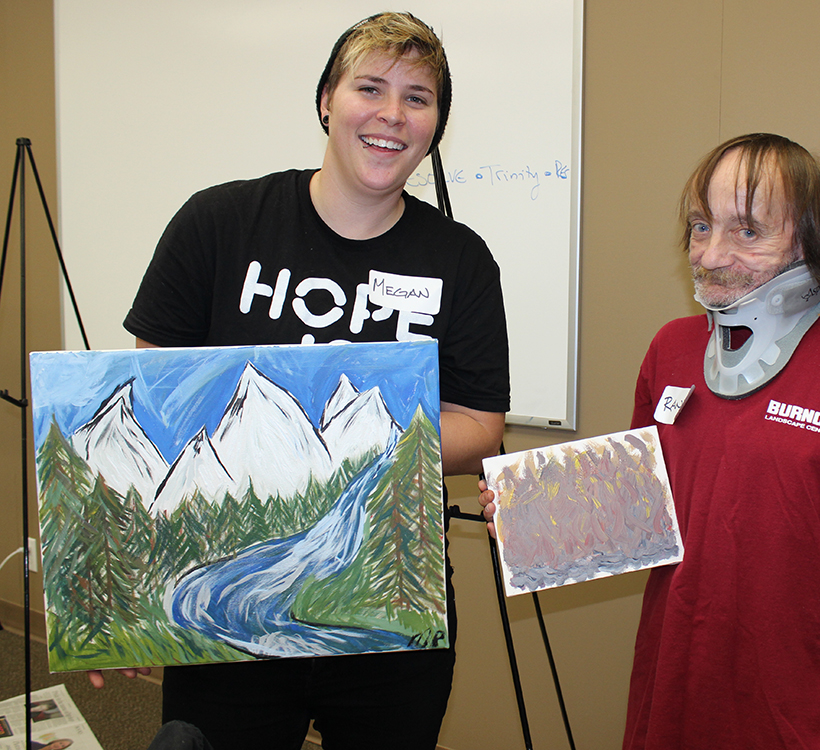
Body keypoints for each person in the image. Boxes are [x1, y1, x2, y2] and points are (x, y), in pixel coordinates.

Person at [90, 12, 509, 750]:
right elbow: (148, 404)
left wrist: (344, 448)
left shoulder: (461, 260)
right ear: (326, 99)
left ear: (436, 123)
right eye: (370, 87)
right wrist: (126, 594)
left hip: (391, 600)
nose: (392, 114)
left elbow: (479, 425)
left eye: (419, 97)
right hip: (222, 600)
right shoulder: (218, 224)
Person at [481, 133, 820, 749]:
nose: (710, 255)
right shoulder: (671, 349)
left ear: (812, 241)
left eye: (746, 231)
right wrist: (538, 514)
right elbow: (648, 516)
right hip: (673, 703)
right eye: (700, 226)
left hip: (799, 717)